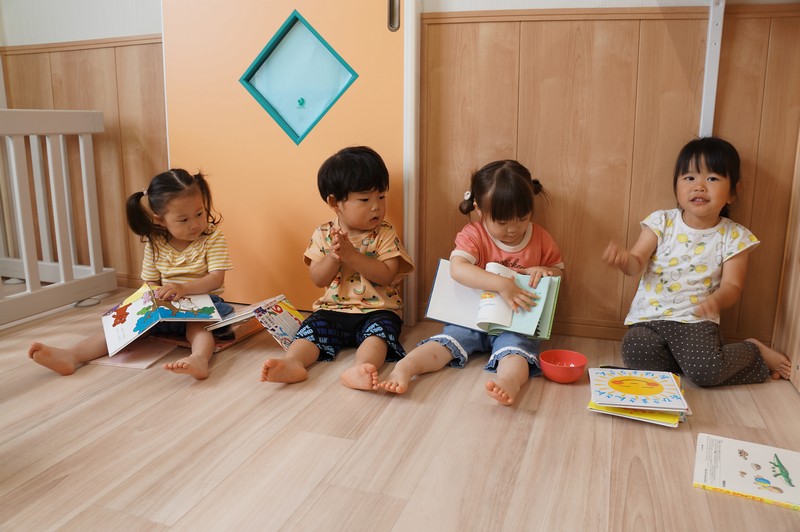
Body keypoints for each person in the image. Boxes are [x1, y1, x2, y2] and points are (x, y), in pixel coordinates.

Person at [602, 136, 791, 386]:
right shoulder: (661, 221)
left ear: (733, 192)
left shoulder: (734, 236)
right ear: (676, 187)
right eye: (689, 178)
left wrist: (717, 300)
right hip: (649, 318)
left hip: (694, 321)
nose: (699, 186)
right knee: (635, 350)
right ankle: (694, 362)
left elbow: (733, 285)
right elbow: (636, 262)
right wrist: (624, 259)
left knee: (706, 373)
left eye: (712, 179)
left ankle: (752, 351)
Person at [379, 160, 564, 405]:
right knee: (444, 344)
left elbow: (558, 273)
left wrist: (546, 272)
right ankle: (405, 367)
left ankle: (509, 381)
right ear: (479, 209)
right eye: (502, 222)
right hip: (470, 319)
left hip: (514, 323)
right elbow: (458, 269)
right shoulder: (474, 234)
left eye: (522, 219)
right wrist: (502, 284)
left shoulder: (540, 237)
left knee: (516, 353)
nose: (513, 229)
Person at [28, 169, 233, 380]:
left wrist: (184, 288)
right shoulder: (156, 243)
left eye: (199, 213)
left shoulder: (212, 238)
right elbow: (150, 280)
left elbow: (216, 278)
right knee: (122, 327)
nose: (195, 224)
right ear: (161, 220)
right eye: (183, 219)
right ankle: (72, 355)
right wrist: (153, 295)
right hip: (166, 305)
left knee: (197, 327)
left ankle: (199, 359)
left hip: (201, 301)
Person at [260, 146, 414, 390]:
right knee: (310, 329)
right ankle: (293, 362)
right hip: (333, 310)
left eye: (381, 197)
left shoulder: (384, 233)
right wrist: (334, 257)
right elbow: (318, 279)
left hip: (378, 310)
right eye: (365, 199)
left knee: (379, 336)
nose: (376, 206)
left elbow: (387, 275)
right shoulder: (323, 233)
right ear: (334, 202)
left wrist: (352, 256)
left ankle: (361, 368)